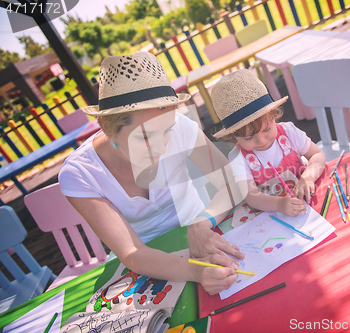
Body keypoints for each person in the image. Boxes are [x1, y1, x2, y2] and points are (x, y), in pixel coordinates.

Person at [58, 52, 244, 295]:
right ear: (107, 127)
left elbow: (232, 183)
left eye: (167, 130)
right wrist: (196, 271)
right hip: (145, 267)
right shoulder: (79, 174)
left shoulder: (182, 127)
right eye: (145, 136)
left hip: (203, 234)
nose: (162, 147)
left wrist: (203, 221)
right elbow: (132, 254)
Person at [211, 69, 326, 217]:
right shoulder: (238, 157)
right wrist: (278, 204)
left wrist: (308, 177)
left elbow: (317, 154)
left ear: (274, 115)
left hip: (311, 198)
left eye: (266, 129)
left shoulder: (289, 133)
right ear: (234, 136)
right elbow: (251, 196)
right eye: (248, 137)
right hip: (273, 214)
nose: (261, 140)